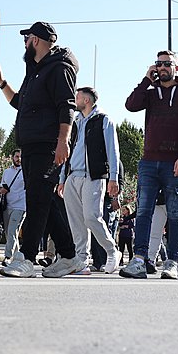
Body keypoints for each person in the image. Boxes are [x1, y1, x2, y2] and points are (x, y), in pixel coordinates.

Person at [0, 21, 81, 279]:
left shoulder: (59, 67)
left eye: (27, 38)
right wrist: (2, 83)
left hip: (49, 143)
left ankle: (27, 258)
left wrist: (62, 141)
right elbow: (20, 103)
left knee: (37, 199)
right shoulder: (35, 70)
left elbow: (67, 105)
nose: (24, 42)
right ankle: (68, 256)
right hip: (32, 144)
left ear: (37, 40)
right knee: (45, 199)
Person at [119, 50, 178, 280]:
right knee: (143, 212)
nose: (162, 67)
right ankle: (139, 260)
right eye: (159, 64)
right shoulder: (151, 93)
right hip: (148, 162)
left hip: (174, 163)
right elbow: (130, 105)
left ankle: (173, 261)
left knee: (176, 213)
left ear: (176, 68)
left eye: (167, 64)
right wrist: (146, 79)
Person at [59, 87, 122, 274]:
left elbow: (113, 150)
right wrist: (63, 177)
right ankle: (81, 261)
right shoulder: (75, 122)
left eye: (77, 96)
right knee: (76, 221)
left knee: (91, 217)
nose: (74, 99)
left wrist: (114, 177)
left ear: (86, 100)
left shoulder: (104, 120)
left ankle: (112, 251)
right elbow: (67, 149)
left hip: (93, 176)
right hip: (73, 176)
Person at [0, 149, 26, 265]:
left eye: (20, 157)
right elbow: (1, 185)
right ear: (12, 157)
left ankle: (8, 257)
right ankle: (17, 257)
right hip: (7, 205)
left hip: (21, 206)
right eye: (16, 156)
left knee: (12, 231)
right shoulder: (6, 172)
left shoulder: (26, 171)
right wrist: (1, 189)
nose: (18, 159)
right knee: (9, 233)